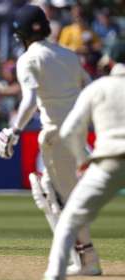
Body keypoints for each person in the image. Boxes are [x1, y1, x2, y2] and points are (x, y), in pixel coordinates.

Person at [0, 5, 101, 276]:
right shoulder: (68, 55)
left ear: (20, 34)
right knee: (56, 195)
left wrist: (14, 131)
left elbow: (29, 99)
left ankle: (84, 261)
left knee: (54, 198)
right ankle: (85, 258)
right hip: (77, 136)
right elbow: (90, 87)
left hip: (55, 136)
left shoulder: (28, 59)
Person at [43, 41, 125, 280]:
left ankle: (54, 276)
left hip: (108, 161)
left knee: (68, 222)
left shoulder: (98, 87)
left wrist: (83, 159)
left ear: (109, 62)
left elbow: (69, 130)